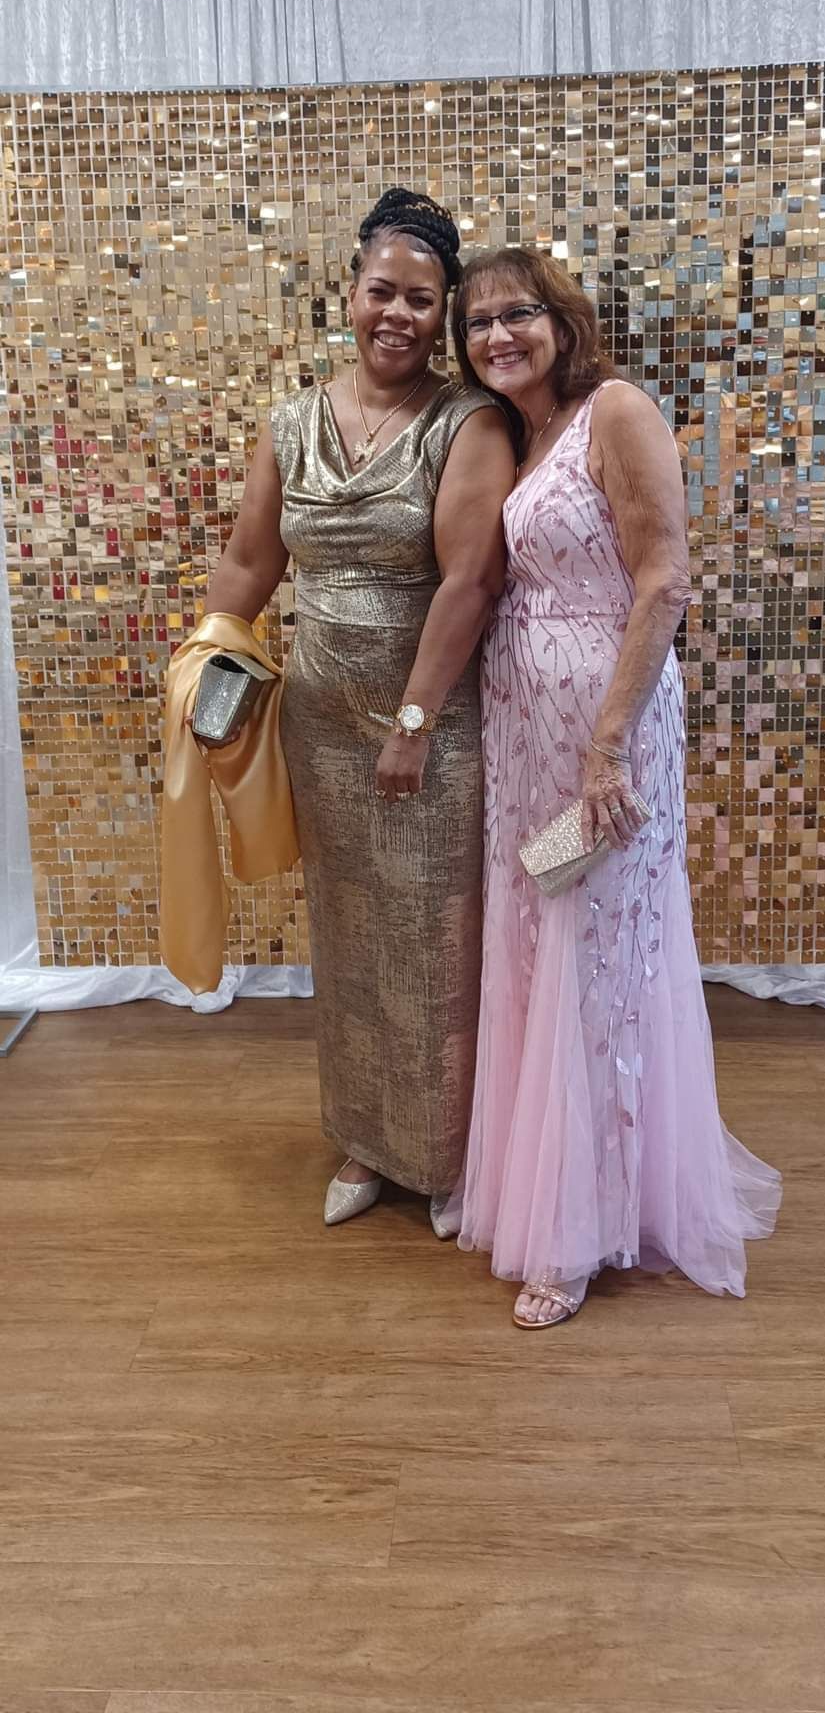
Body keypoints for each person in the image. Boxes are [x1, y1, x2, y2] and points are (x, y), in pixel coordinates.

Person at [451, 247, 781, 1328]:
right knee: (544, 941)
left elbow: (663, 579)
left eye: (518, 314)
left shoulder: (614, 408)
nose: (498, 334)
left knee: (599, 952)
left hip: (605, 723)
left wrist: (606, 743)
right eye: (481, 321)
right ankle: (542, 1184)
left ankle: (581, 1227)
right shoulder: (525, 431)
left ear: (562, 317)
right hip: (524, 731)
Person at [200, 189, 514, 1229]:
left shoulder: (466, 420)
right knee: (348, 934)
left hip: (430, 727)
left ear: (443, 311)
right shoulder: (290, 422)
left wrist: (418, 721)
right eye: (382, 289)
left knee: (436, 935)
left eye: (422, 300)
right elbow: (251, 559)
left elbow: (469, 579)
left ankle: (446, 1155)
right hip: (323, 730)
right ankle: (364, 1142)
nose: (398, 313)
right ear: (351, 290)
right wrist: (206, 664)